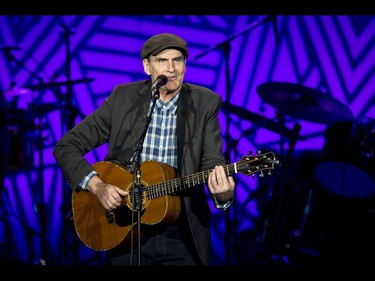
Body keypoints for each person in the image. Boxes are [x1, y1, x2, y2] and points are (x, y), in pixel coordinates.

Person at [53, 33, 235, 266]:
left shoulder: (205, 103)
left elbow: (212, 164)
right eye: (162, 61)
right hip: (125, 227)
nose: (171, 69)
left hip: (181, 232)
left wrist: (223, 194)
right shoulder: (123, 99)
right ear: (147, 66)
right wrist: (97, 186)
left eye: (177, 60)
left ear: (185, 65)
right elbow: (66, 146)